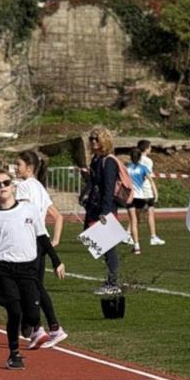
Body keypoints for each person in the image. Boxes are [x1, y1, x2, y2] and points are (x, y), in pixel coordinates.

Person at [0, 170, 65, 369]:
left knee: (33, 317)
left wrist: (56, 260)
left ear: (13, 186)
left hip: (28, 269)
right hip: (4, 271)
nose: (2, 187)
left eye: (5, 183)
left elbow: (42, 237)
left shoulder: (30, 210)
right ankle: (14, 353)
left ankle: (31, 325)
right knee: (14, 312)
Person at [14, 150, 67, 348]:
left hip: (30, 240)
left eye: (18, 165)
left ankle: (49, 328)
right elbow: (58, 217)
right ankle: (39, 328)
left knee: (31, 286)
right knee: (34, 285)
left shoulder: (24, 187)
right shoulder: (39, 187)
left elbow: (23, 215)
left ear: (29, 167)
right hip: (41, 240)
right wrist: (54, 240)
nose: (15, 168)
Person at [82, 126, 124, 295]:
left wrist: (105, 211)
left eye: (96, 139)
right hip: (93, 205)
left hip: (104, 207)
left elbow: (108, 188)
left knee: (108, 246)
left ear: (104, 141)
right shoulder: (95, 160)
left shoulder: (109, 161)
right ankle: (110, 277)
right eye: (91, 138)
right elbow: (94, 184)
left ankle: (112, 282)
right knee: (90, 236)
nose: (92, 142)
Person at [135, 139, 164, 247]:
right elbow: (148, 176)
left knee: (135, 213)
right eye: (150, 147)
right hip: (146, 189)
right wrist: (155, 190)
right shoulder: (148, 161)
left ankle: (129, 235)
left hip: (136, 189)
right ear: (146, 148)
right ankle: (153, 237)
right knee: (150, 212)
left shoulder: (135, 160)